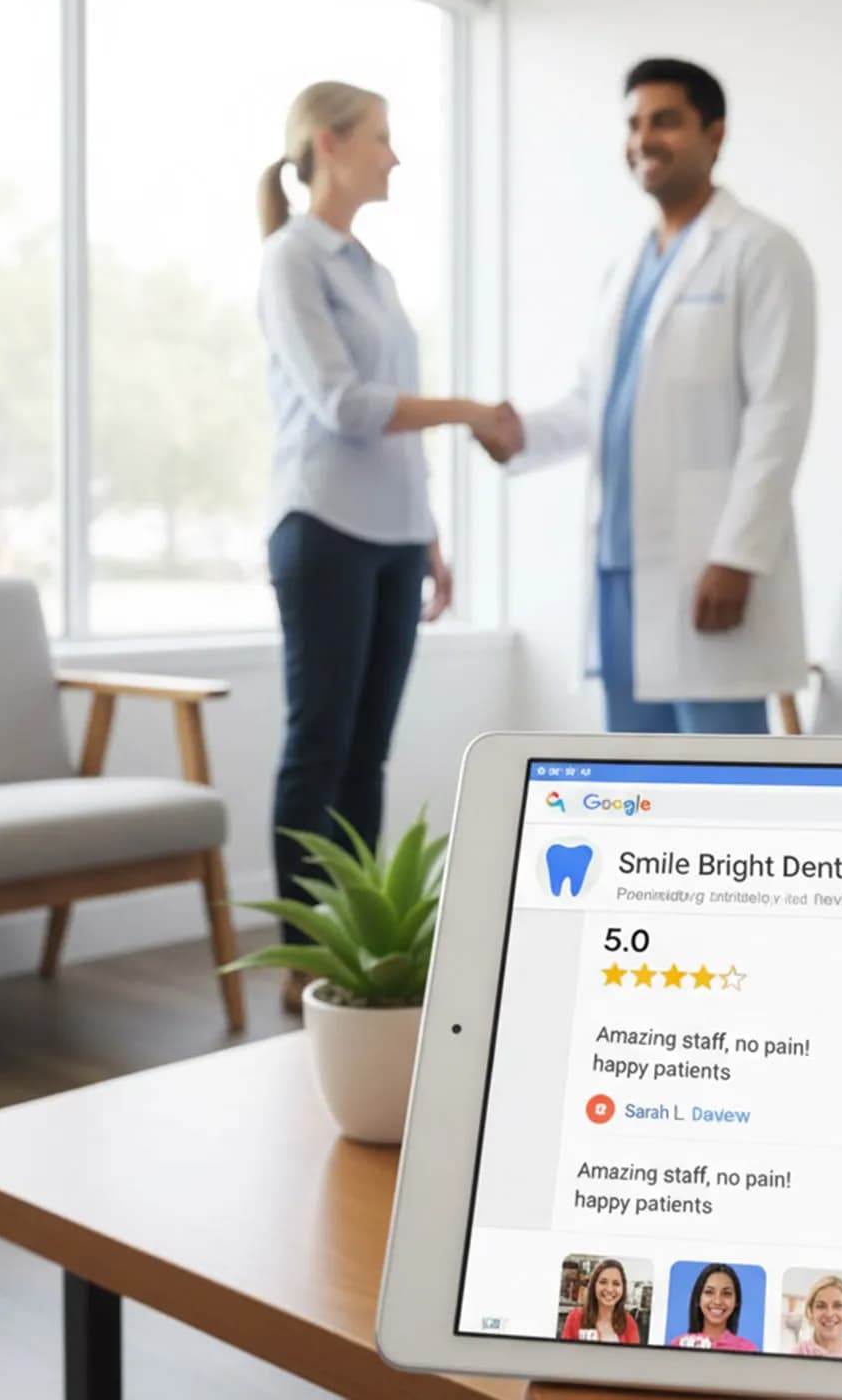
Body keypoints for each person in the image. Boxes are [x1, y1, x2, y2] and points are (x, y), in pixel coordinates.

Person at [255, 81, 522, 1013]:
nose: (395, 155)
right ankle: (299, 953)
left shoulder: (373, 271)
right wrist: (473, 412)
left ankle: (356, 950)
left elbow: (391, 427)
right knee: (318, 744)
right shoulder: (292, 259)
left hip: (393, 537)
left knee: (366, 752)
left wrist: (431, 538)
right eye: (381, 138)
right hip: (322, 530)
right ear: (330, 144)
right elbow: (346, 407)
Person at [508, 57, 817, 734]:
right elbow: (594, 403)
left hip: (705, 561)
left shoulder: (761, 250)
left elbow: (779, 413)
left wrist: (736, 556)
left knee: (720, 785)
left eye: (665, 121)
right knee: (634, 789)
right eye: (633, 123)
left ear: (715, 134)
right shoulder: (623, 269)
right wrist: (515, 433)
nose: (643, 139)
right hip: (621, 567)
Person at [671, 1263, 758, 1351]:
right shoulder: (679, 1345)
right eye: (709, 1292)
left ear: (736, 1302)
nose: (717, 1301)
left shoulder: (747, 1349)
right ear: (698, 1298)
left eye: (726, 1293)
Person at [792, 1274, 842, 1359]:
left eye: (838, 1306)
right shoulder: (797, 1354)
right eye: (821, 1306)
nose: (829, 1314)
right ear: (811, 1311)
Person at [560, 1259, 642, 1344]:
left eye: (616, 1283)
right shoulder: (575, 1317)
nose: (609, 1289)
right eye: (603, 1282)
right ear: (594, 1286)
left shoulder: (629, 1322)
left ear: (623, 1288)